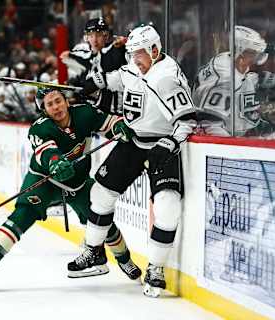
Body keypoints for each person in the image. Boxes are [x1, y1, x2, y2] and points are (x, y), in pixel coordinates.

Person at [67, 24, 197, 298]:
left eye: (138, 52)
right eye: (131, 52)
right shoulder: (136, 67)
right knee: (100, 195)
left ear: (154, 50)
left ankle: (156, 268)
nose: (134, 58)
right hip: (133, 140)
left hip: (161, 145)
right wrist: (91, 84)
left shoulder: (166, 78)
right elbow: (119, 78)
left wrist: (170, 142)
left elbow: (187, 121)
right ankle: (92, 251)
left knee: (168, 207)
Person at [0, 88, 142, 291]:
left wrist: (119, 125)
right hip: (44, 179)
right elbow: (46, 152)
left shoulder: (84, 113)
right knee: (22, 216)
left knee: (101, 220)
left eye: (58, 101)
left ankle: (124, 261)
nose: (56, 107)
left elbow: (109, 122)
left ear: (66, 101)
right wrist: (55, 162)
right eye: (49, 104)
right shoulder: (39, 128)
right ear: (43, 110)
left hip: (77, 182)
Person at [192, 25, 273, 136]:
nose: (256, 56)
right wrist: (233, 148)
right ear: (240, 51)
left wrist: (256, 79)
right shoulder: (227, 81)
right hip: (223, 137)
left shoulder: (226, 58)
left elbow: (241, 77)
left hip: (233, 128)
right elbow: (210, 123)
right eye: (253, 52)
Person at [60, 17, 127, 115]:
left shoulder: (114, 50)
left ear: (106, 36)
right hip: (98, 110)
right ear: (86, 37)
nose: (94, 40)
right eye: (91, 35)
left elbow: (118, 48)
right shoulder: (89, 56)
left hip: (116, 113)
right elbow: (76, 56)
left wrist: (123, 43)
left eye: (99, 35)